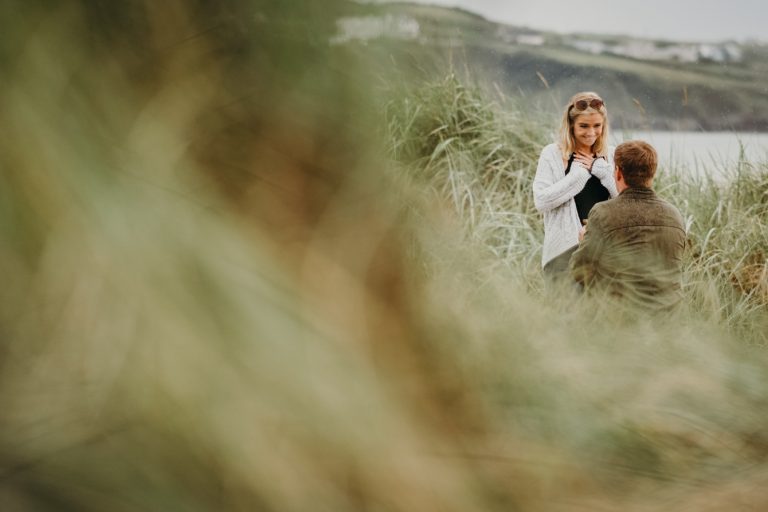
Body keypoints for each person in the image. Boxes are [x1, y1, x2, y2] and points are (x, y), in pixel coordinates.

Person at [569, 140, 687, 310]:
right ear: (652, 174)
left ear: (617, 173)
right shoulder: (674, 215)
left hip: (623, 320)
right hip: (670, 316)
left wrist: (583, 241)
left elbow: (579, 271)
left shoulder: (603, 212)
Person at [533, 92, 618, 277]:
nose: (591, 132)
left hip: (604, 252)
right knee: (562, 307)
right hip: (563, 254)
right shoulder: (553, 154)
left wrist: (602, 171)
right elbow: (541, 201)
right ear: (571, 125)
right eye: (584, 126)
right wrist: (578, 176)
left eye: (597, 126)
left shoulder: (611, 155)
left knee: (602, 307)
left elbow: (624, 200)